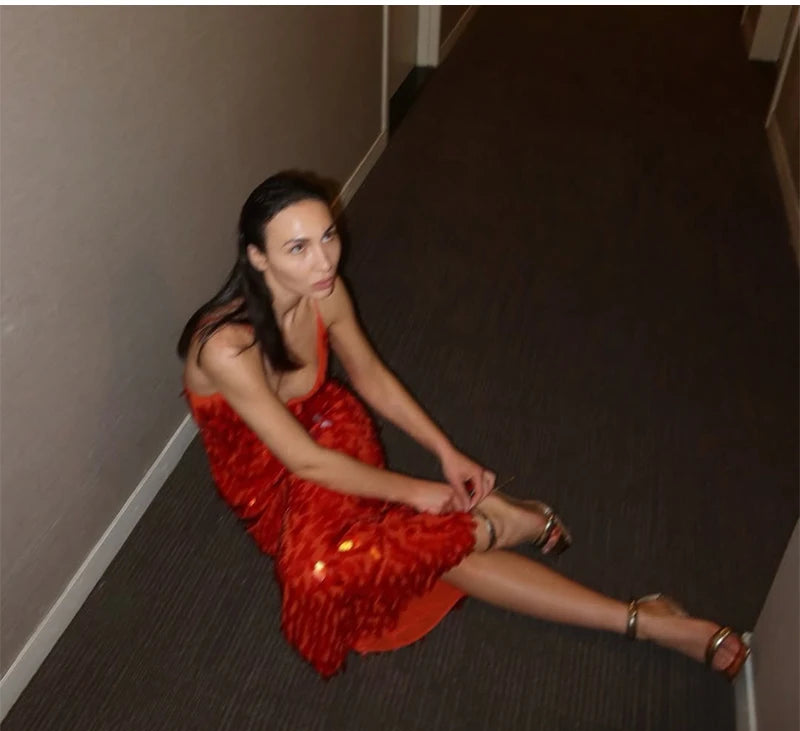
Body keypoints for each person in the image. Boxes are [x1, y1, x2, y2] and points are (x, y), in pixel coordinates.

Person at [178, 171, 750, 680]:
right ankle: (520, 531)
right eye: (298, 248)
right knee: (344, 569)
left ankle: (639, 618)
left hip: (331, 432)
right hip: (272, 480)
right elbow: (299, 462)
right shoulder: (225, 346)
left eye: (328, 235)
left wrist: (445, 454)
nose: (325, 261)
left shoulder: (320, 291)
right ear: (256, 258)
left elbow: (370, 378)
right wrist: (419, 492)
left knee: (372, 557)